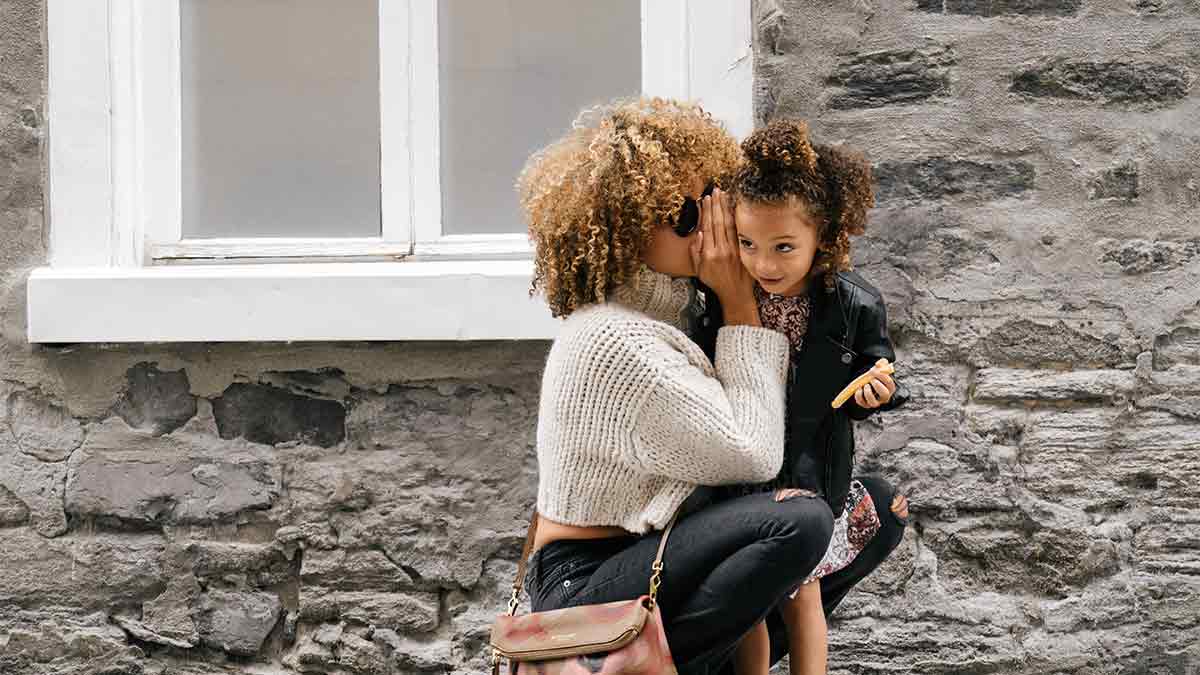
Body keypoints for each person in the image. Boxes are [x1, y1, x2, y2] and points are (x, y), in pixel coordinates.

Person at [517, 98, 836, 675]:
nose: (712, 226)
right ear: (628, 227)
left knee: (872, 509)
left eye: (716, 201)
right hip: (586, 579)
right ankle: (634, 663)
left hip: (648, 558)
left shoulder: (670, 320)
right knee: (800, 521)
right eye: (688, 215)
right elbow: (753, 451)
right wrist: (741, 301)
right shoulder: (613, 342)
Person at [695, 119, 912, 675]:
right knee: (752, 598)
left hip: (810, 471)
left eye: (783, 247)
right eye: (747, 244)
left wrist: (874, 392)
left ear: (825, 236)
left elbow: (876, 369)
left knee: (803, 595)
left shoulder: (854, 305)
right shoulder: (721, 298)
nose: (764, 264)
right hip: (739, 468)